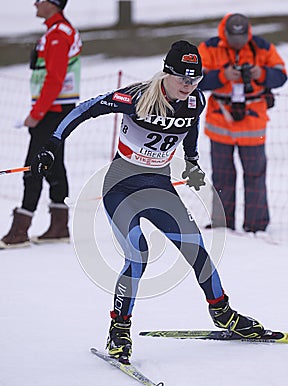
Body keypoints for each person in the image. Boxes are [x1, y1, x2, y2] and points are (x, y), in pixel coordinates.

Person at [30, 40, 265, 364]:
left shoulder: (195, 100)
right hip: (121, 188)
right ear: (166, 73)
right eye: (183, 78)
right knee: (138, 254)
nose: (189, 85)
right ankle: (119, 328)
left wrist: (192, 161)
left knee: (196, 248)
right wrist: (53, 144)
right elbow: (85, 109)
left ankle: (223, 313)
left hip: (159, 186)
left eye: (195, 79)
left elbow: (191, 128)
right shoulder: (137, 97)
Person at [0, 0, 82, 249]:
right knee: (54, 166)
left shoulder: (58, 34)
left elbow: (55, 79)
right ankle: (59, 226)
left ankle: (21, 229)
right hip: (56, 108)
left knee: (33, 166)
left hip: (53, 110)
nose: (34, 3)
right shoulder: (58, 30)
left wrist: (36, 113)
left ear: (53, 4)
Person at [198, 13, 287, 232]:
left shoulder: (262, 47)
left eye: (242, 37)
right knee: (222, 176)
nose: (239, 42)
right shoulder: (209, 48)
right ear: (225, 33)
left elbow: (281, 76)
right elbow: (195, 78)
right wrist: (223, 76)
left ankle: (256, 225)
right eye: (234, 38)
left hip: (253, 124)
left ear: (248, 32)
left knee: (255, 175)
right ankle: (222, 224)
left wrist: (261, 73)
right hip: (221, 122)